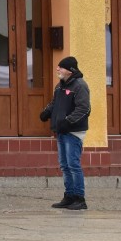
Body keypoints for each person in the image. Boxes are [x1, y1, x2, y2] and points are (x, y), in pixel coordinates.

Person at [40, 56, 91, 210]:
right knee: (64, 165)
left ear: (70, 70)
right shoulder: (60, 86)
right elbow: (55, 103)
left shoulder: (80, 85)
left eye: (60, 67)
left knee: (73, 165)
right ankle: (69, 196)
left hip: (73, 132)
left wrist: (68, 121)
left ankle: (79, 198)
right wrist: (47, 112)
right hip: (61, 130)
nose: (58, 69)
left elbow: (84, 109)